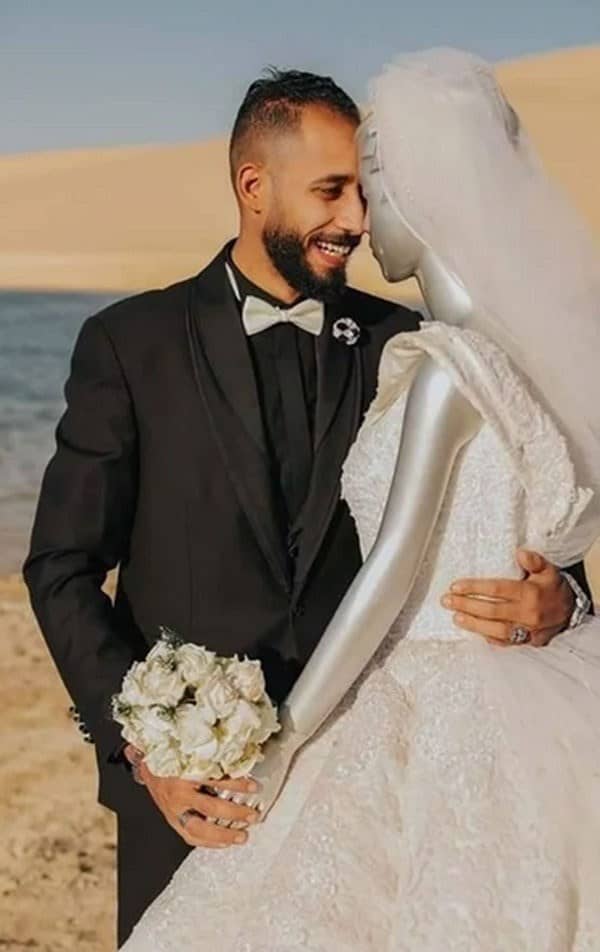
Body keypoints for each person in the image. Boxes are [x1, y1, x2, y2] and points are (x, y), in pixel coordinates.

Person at [24, 67, 588, 948]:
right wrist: (145, 745)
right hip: (190, 797)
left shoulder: (416, 345)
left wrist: (564, 602)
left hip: (375, 786)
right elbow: (61, 568)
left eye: (364, 194)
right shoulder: (129, 346)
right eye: (329, 192)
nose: (356, 223)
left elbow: (522, 512)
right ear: (254, 187)